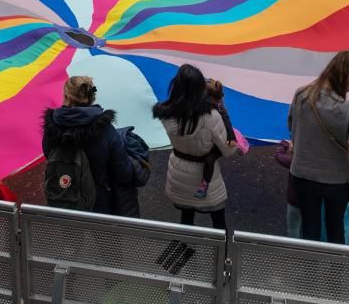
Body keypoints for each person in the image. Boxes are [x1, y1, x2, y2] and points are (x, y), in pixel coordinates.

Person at [287, 51, 349, 243]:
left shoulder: (301, 94)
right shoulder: (346, 109)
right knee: (335, 227)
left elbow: (291, 125)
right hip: (336, 180)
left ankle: (309, 270)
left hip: (301, 174)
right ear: (348, 77)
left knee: (310, 227)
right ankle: (335, 270)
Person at [42, 75, 147, 216]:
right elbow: (124, 174)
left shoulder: (51, 128)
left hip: (64, 196)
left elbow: (48, 153)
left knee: (70, 238)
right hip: (99, 203)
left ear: (66, 96)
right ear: (92, 97)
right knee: (105, 238)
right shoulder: (106, 130)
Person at [153, 64, 239, 229]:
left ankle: (186, 249)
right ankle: (222, 253)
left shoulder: (166, 114)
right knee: (219, 222)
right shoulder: (211, 116)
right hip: (204, 178)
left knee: (186, 218)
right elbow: (229, 149)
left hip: (179, 174)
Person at [195, 78, 236, 199]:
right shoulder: (208, 107)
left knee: (209, 158)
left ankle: (204, 184)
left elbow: (227, 124)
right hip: (211, 139)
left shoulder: (217, 110)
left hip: (219, 140)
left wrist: (231, 138)